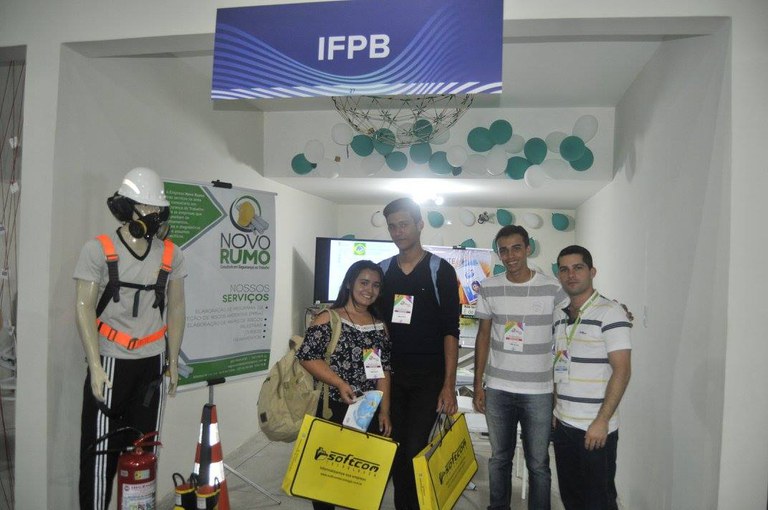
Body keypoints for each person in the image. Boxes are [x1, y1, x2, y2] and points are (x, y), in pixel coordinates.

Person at [74, 167, 187, 510]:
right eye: (146, 207)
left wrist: (172, 361)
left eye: (157, 209)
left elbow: (177, 308)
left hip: (152, 366)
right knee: (100, 453)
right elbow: (83, 306)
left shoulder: (171, 254)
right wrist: (95, 365)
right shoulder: (98, 250)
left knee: (144, 450)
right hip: (110, 363)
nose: (152, 215)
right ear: (127, 208)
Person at [473, 225, 567, 510]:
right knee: (499, 458)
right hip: (498, 388)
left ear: (528, 249)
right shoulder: (489, 287)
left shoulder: (552, 287)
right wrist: (478, 385)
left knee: (538, 463)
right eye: (503, 250)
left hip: (538, 391)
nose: (510, 256)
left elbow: (576, 316)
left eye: (516, 248)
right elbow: (483, 336)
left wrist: (614, 308)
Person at [376, 197, 461, 510]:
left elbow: (451, 331)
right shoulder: (383, 271)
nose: (398, 232)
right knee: (394, 448)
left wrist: (449, 385)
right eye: (392, 227)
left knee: (415, 449)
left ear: (420, 225)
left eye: (404, 225)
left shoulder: (440, 271)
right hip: (391, 378)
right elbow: (373, 323)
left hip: (429, 379)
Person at [296, 260, 392, 510]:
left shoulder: (378, 325)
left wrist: (384, 411)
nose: (369, 290)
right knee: (324, 474)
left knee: (359, 474)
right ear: (350, 283)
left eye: (375, 285)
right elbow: (307, 356)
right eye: (364, 282)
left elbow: (383, 371)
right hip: (332, 406)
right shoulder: (329, 318)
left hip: (367, 411)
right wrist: (339, 383)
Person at [552, 245, 632, 510]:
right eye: (564, 269)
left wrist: (602, 420)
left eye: (578, 268)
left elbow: (622, 370)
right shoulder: (559, 315)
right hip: (564, 424)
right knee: (571, 498)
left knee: (599, 501)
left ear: (592, 271)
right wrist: (556, 408)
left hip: (594, 428)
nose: (571, 275)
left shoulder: (611, 312)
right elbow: (560, 363)